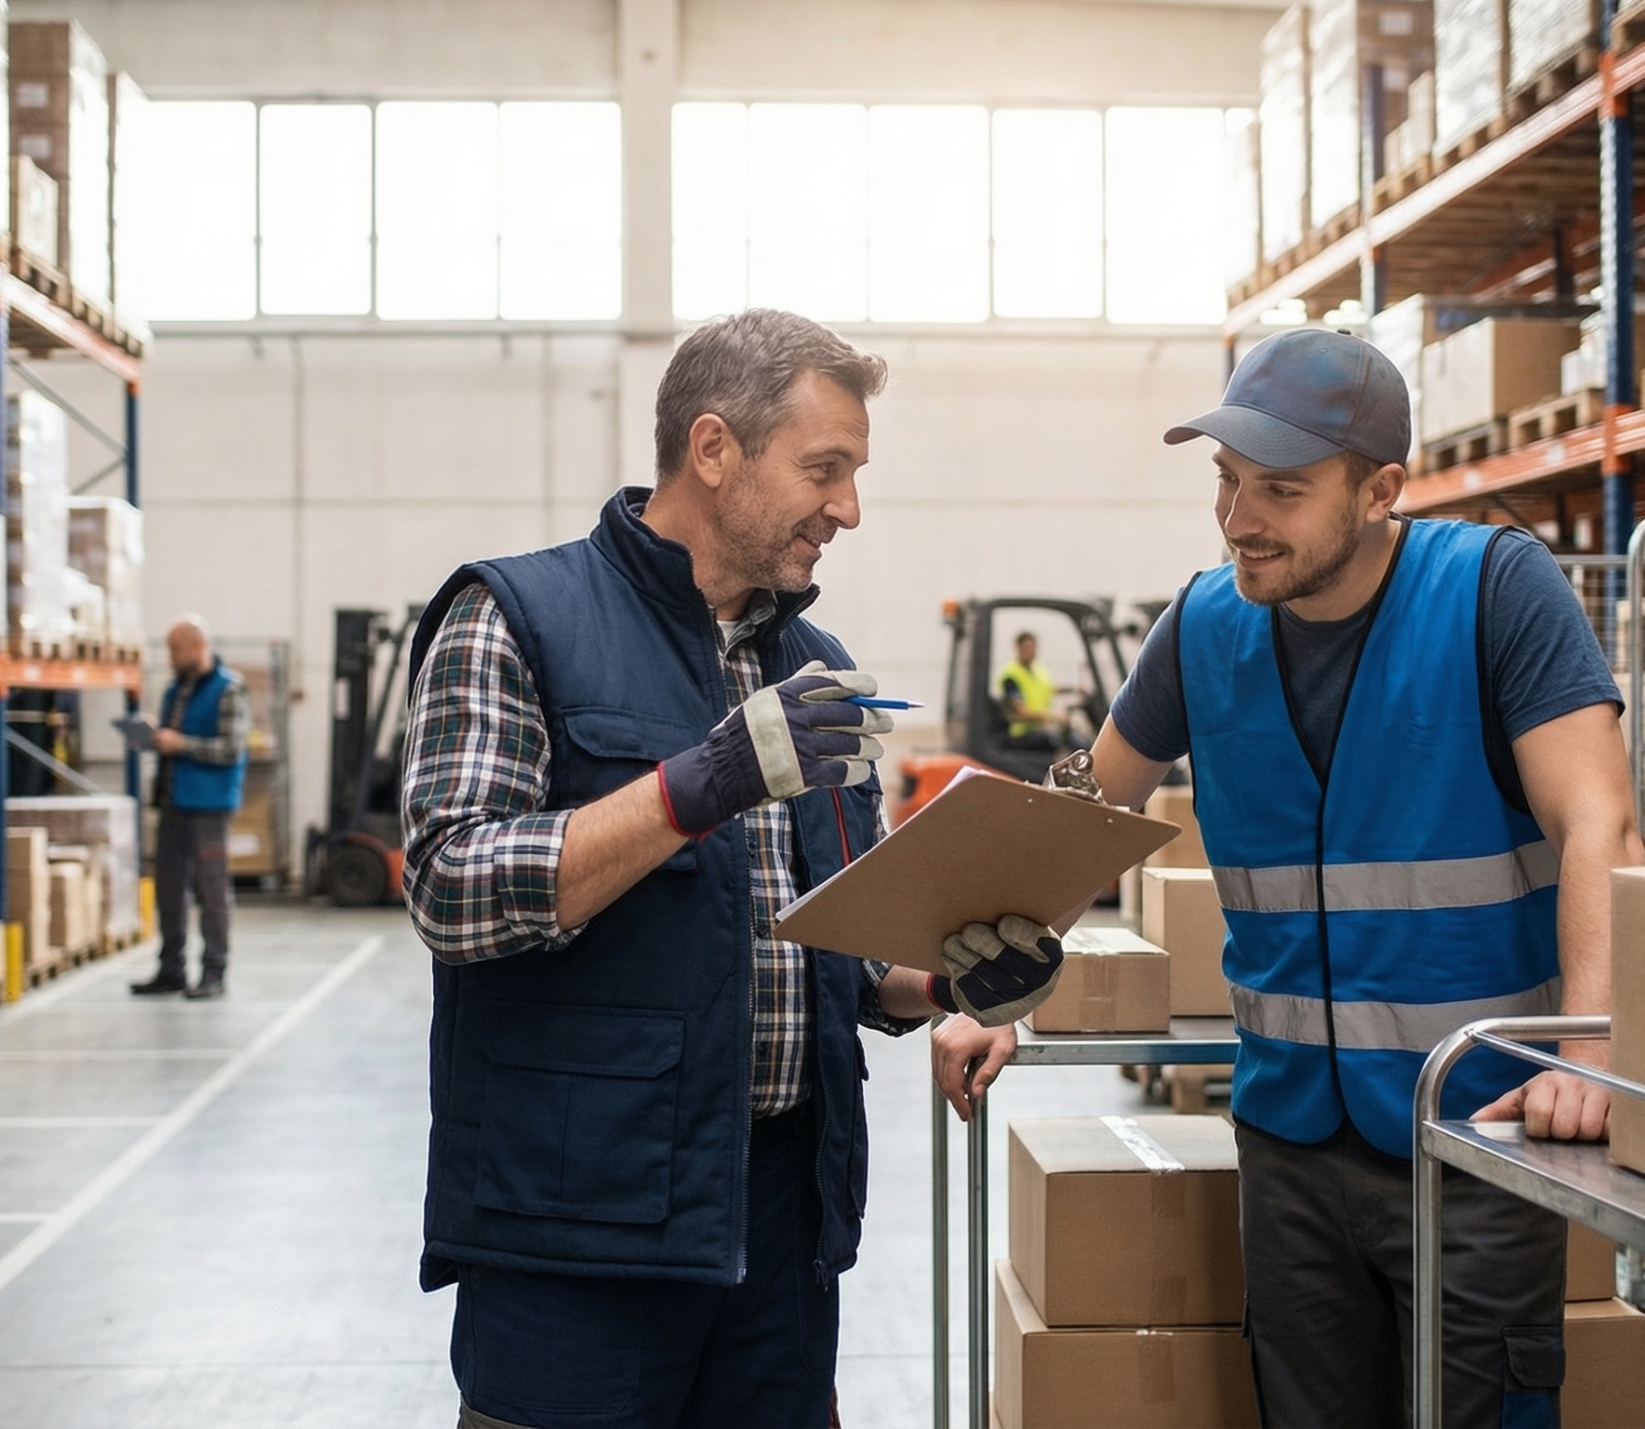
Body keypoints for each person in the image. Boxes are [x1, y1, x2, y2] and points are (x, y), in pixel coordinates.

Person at [933, 327, 1643, 1428]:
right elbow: (1088, 814)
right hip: (1286, 1143)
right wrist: (993, 992)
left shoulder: (1493, 591)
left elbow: (1597, 817)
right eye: (1224, 480)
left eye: (1281, 489)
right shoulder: (1203, 624)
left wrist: (1591, 1049)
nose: (1237, 519)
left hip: (1470, 1132)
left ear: (1379, 491)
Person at [401, 309, 1066, 1429]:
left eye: (853, 473)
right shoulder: (514, 617)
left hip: (777, 1219)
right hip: (583, 1224)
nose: (848, 507)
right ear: (714, 450)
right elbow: (451, 886)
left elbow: (829, 948)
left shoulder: (818, 669)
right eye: (825, 468)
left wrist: (947, 984)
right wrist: (689, 788)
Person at [130, 615, 250, 1001]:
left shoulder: (229, 690)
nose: (169, 658)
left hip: (209, 806)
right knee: (168, 890)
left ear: (198, 647)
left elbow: (231, 749)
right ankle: (172, 969)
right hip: (172, 803)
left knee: (211, 891)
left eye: (175, 649)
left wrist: (181, 744)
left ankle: (214, 972)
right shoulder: (174, 691)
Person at [997, 630, 1068, 747]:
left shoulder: (1038, 670)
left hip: (1039, 729)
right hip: (1022, 733)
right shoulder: (1011, 676)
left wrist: (1075, 690)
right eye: (1026, 648)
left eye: (1032, 648)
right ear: (1018, 648)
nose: (1030, 652)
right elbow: (1021, 711)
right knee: (1057, 744)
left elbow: (1049, 688)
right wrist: (1054, 717)